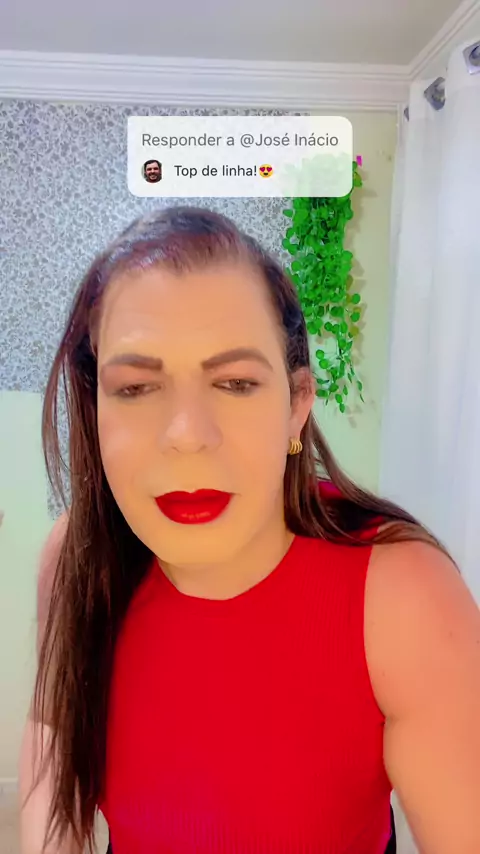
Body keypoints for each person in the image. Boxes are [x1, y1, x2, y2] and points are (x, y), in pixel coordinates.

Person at [19, 206, 480, 854]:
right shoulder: (76, 560)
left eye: (235, 383)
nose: (187, 436)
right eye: (136, 387)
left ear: (296, 404)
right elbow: (51, 740)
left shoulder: (403, 594)